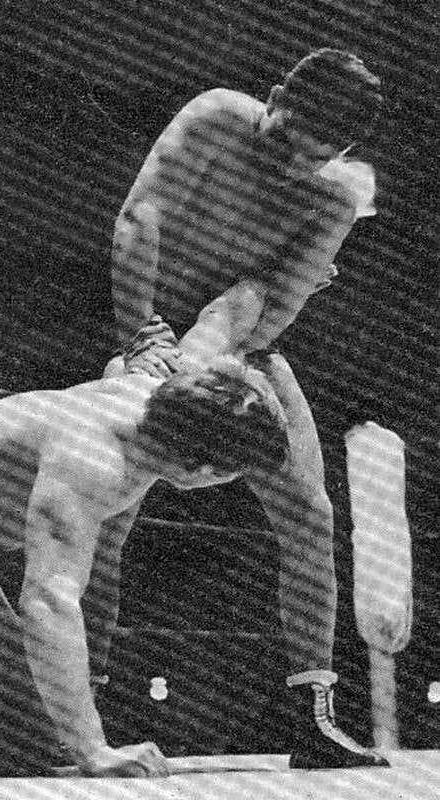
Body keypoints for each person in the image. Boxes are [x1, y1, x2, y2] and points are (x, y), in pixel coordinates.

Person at [103, 48, 387, 768]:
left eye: (314, 158)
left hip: (243, 350)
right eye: (285, 140)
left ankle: (312, 718)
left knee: (311, 514)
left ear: (340, 154)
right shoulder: (216, 118)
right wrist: (142, 338)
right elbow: (141, 216)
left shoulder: (333, 199)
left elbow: (271, 305)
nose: (292, 165)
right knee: (103, 510)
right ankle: (82, 702)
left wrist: (209, 346)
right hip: (152, 335)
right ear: (273, 97)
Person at [0, 355, 289, 778]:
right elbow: (49, 600)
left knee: (26, 731)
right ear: (203, 469)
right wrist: (94, 750)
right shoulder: (94, 460)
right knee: (71, 734)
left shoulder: (166, 399)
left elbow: (215, 369)